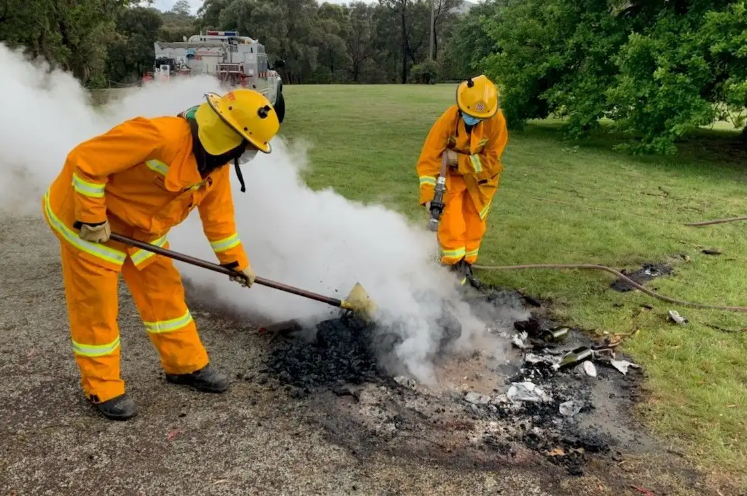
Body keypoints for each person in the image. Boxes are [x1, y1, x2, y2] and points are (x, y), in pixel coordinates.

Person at [42, 89, 280, 421]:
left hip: (142, 232)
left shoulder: (216, 165)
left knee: (165, 296)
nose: (246, 157)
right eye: (248, 149)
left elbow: (219, 218)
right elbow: (84, 161)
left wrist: (235, 263)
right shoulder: (160, 135)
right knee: (96, 307)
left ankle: (184, 366)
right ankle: (102, 387)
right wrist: (93, 218)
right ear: (230, 136)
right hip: (89, 227)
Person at [415, 75, 509, 287]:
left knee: (475, 225)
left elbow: (491, 161)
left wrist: (460, 160)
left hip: (481, 182)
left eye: (478, 117)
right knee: (452, 223)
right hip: (452, 180)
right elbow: (429, 160)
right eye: (468, 115)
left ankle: (467, 264)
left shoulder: (496, 122)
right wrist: (430, 196)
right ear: (460, 107)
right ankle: (452, 267)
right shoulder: (447, 121)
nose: (473, 120)